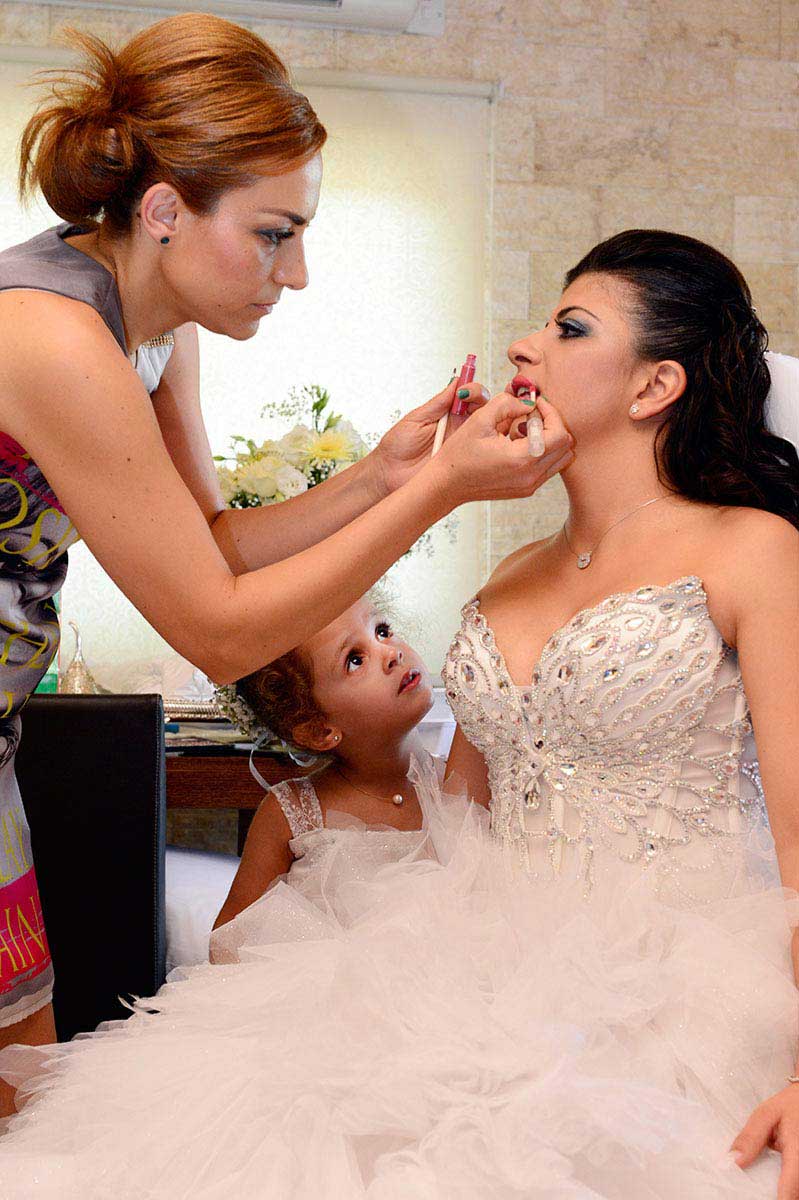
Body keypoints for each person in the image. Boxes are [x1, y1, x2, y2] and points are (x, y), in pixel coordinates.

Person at [1, 229, 795, 1200]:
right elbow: (455, 824)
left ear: (653, 386)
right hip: (490, 968)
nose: (524, 345)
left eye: (570, 327)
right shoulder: (510, 577)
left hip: (687, 980)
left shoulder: (752, 550)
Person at [0, 10, 572, 1091]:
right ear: (164, 212)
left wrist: (380, 478)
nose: (296, 272)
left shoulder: (153, 328)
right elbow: (217, 629)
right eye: (274, 233)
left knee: (17, 1091)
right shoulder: (55, 337)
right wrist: (443, 491)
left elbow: (212, 545)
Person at [210, 592, 437, 954]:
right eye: (355, 660)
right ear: (318, 730)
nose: (391, 653)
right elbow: (228, 941)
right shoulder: (293, 813)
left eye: (382, 630)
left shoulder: (459, 780)